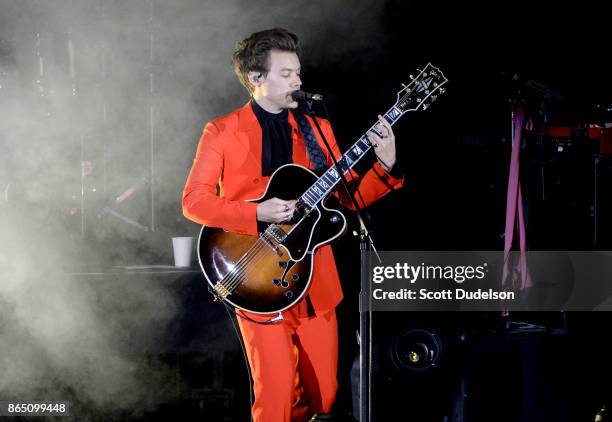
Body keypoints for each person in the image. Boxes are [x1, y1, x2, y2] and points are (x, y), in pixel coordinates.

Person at [182, 28, 403, 422]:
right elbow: (194, 201)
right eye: (286, 74)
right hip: (255, 274)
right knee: (277, 396)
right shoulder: (221, 132)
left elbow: (346, 201)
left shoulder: (316, 128)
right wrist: (256, 213)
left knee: (325, 397)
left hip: (316, 280)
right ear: (256, 78)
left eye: (298, 73)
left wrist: (383, 166)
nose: (298, 82)